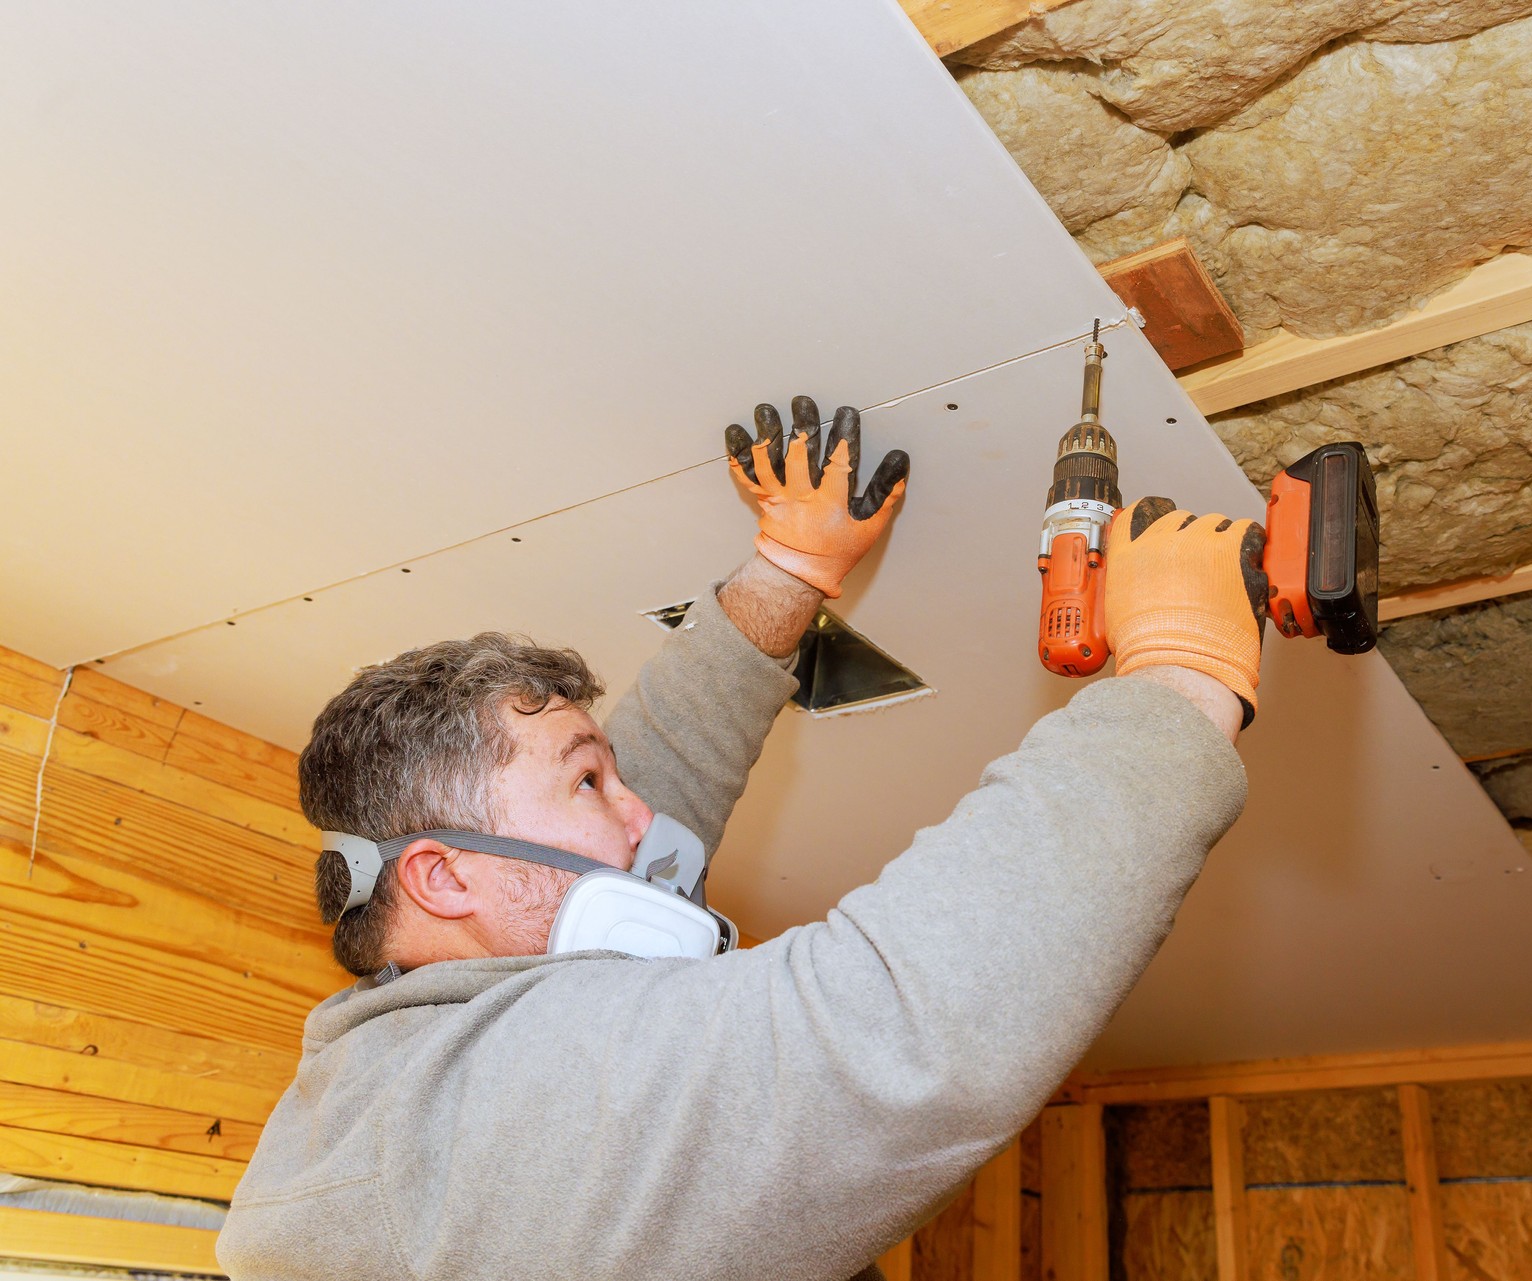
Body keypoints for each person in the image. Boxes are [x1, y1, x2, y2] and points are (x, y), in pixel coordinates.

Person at [219, 397, 1269, 1281]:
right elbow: (890, 1038)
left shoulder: (396, 1081)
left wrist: (785, 573)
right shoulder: (488, 1120)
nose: (645, 819)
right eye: (592, 783)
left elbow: (631, 800)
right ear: (445, 876)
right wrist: (1178, 679)